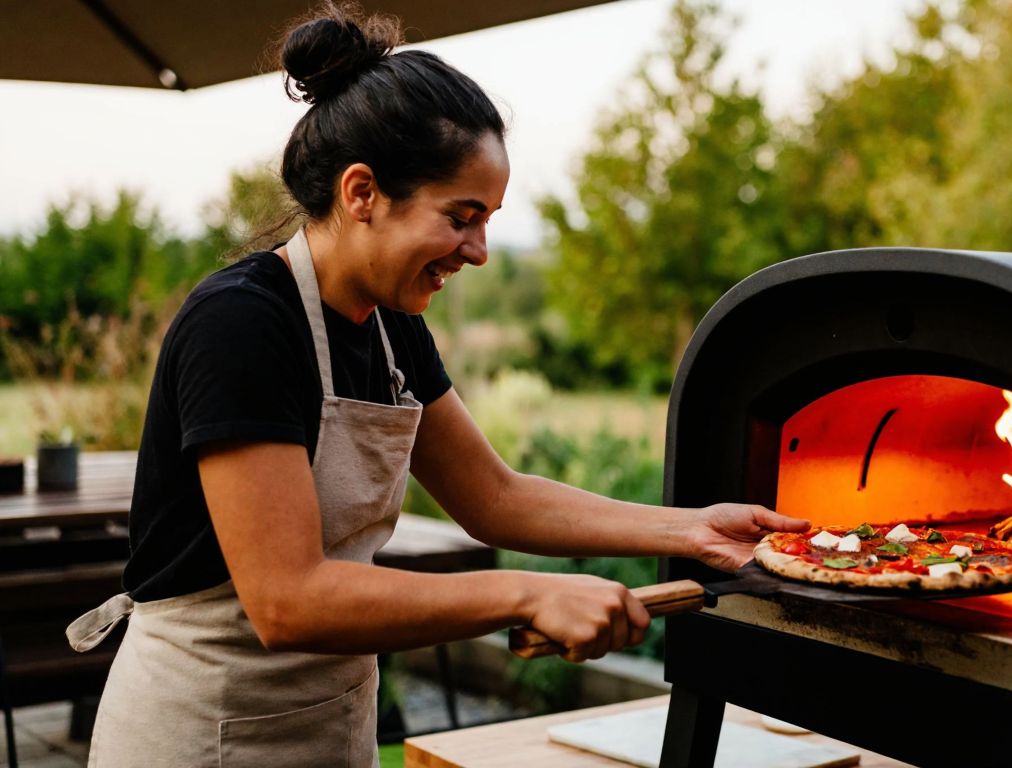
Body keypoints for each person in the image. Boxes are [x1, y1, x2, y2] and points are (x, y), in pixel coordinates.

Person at [65, 5, 808, 766]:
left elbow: (496, 497)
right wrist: (524, 594)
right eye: (462, 216)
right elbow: (288, 600)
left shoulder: (391, 327)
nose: (480, 250)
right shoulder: (242, 324)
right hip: (200, 728)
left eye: (487, 220)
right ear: (362, 193)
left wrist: (688, 530)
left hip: (326, 720)